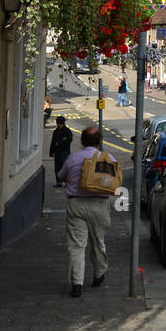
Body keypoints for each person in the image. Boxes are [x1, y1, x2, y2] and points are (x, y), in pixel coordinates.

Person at [57, 125, 113, 297]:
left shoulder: (73, 158)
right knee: (98, 241)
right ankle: (99, 274)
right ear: (99, 141)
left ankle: (77, 283)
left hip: (77, 206)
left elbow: (61, 176)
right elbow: (114, 182)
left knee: (76, 246)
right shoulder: (107, 158)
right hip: (100, 205)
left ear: (81, 141)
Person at [48, 116, 71, 187]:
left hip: (64, 152)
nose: (56, 123)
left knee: (65, 168)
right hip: (57, 152)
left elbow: (69, 139)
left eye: (57, 122)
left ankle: (67, 183)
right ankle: (59, 182)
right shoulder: (56, 131)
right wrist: (51, 152)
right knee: (57, 168)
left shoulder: (67, 131)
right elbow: (53, 142)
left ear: (60, 123)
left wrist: (60, 143)